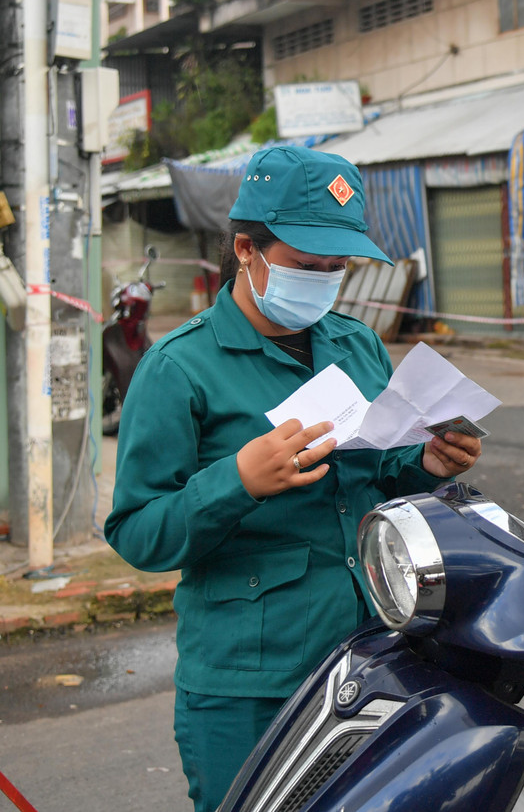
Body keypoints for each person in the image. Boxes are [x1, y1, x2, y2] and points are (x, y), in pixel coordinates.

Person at [104, 147, 482, 812]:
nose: (326, 281)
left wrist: (423, 462)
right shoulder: (178, 368)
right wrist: (238, 479)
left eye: (337, 268)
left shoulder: (354, 343)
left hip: (368, 658)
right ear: (247, 249)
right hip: (248, 687)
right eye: (308, 267)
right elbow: (137, 531)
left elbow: (376, 464)